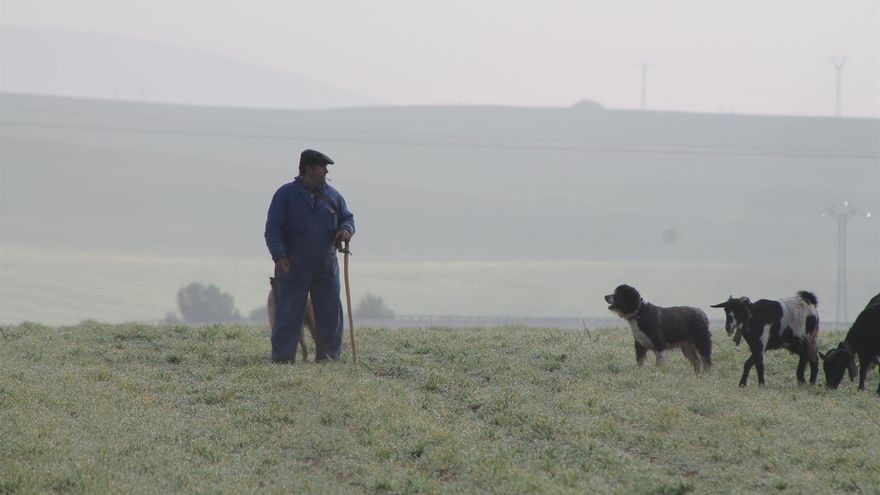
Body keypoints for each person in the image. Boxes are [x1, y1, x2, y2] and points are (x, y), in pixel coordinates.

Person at [264, 149, 355, 362]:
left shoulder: (333, 196)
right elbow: (273, 230)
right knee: (287, 314)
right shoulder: (285, 195)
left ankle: (329, 360)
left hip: (325, 266)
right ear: (308, 168)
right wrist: (279, 255)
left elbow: (347, 218)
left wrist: (346, 230)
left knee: (330, 314)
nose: (325, 171)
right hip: (293, 266)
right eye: (322, 167)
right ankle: (283, 360)